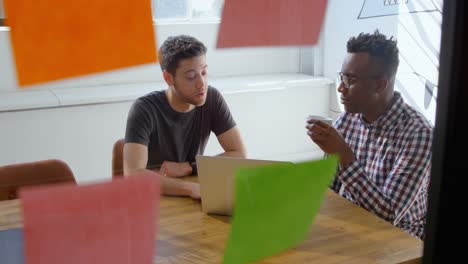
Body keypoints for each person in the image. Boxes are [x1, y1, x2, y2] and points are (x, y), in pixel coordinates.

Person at [306, 30, 433, 240]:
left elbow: (389, 216)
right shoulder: (347, 121)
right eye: (342, 77)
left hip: (398, 244)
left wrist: (344, 155)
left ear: (380, 84)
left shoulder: (418, 135)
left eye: (350, 80)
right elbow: (329, 192)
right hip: (351, 231)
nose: (340, 88)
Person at [124, 35, 246, 199]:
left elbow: (238, 154)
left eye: (204, 72)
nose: (201, 83)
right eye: (191, 76)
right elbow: (133, 175)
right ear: (168, 78)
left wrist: (189, 167)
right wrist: (190, 188)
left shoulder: (212, 99)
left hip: (191, 199)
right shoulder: (144, 109)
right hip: (153, 199)